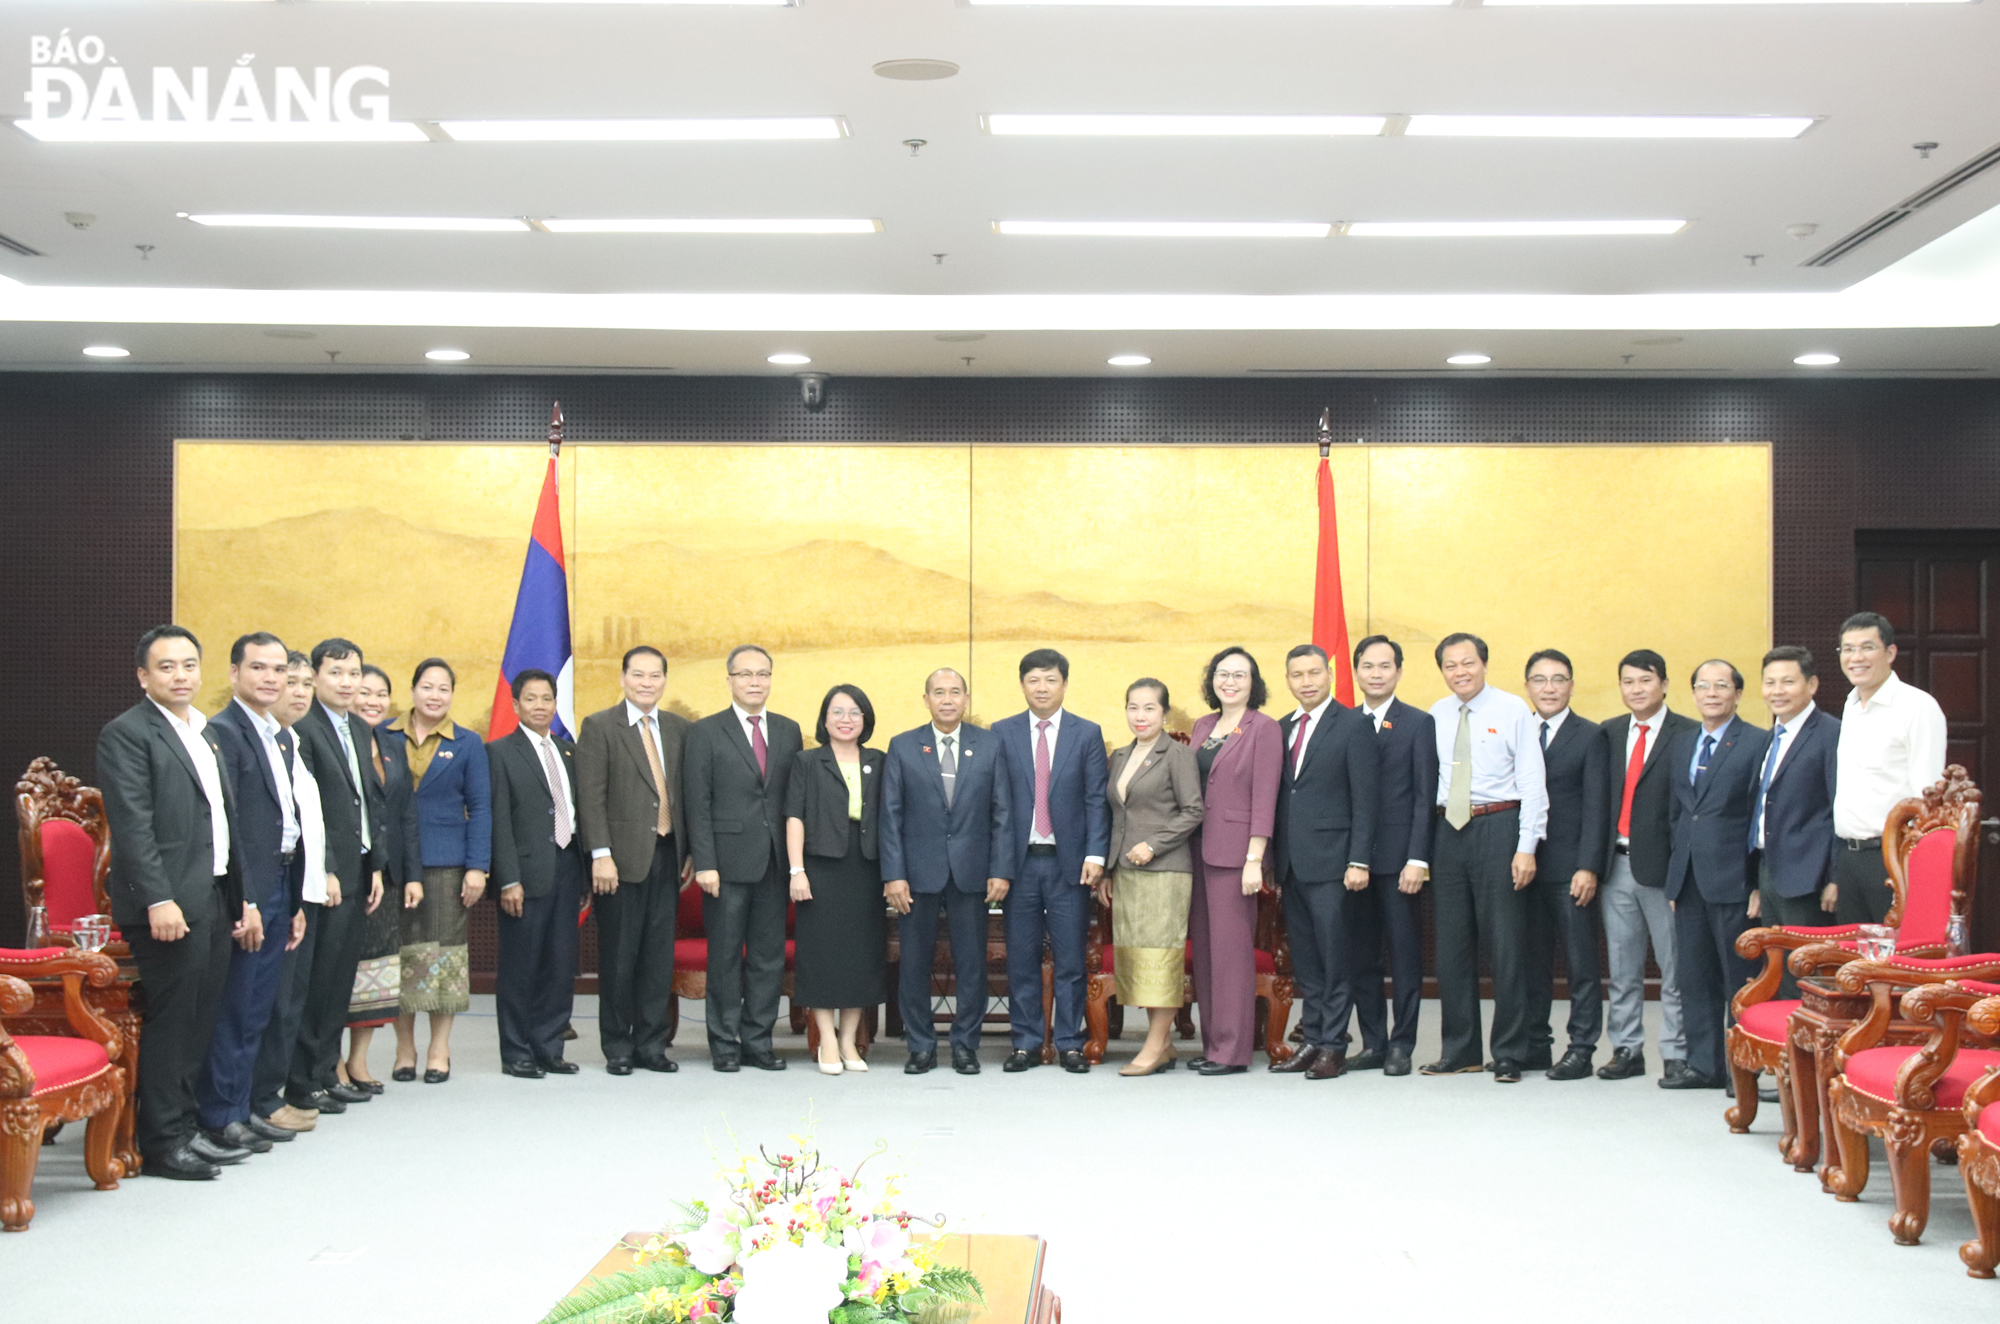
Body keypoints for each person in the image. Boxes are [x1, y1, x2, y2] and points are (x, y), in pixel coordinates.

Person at [98, 625, 251, 1180]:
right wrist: (159, 899)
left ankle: (187, 1128)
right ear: (143, 676)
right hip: (166, 906)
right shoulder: (127, 734)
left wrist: (243, 898)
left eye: (188, 665)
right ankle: (161, 1142)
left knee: (200, 1017)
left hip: (210, 895)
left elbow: (224, 824)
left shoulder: (205, 732)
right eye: (166, 667)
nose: (179, 675)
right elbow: (133, 828)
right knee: (172, 1020)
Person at [1422, 632, 1548, 1083]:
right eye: (1451, 666)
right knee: (1451, 948)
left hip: (1499, 827)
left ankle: (1511, 1052)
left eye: (1468, 663)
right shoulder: (1435, 714)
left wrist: (1527, 846)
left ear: (1485, 664)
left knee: (1506, 945)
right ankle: (1460, 1049)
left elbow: (1533, 781)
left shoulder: (1514, 709)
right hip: (1448, 831)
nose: (1460, 672)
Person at [194, 633, 303, 1155]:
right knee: (236, 1006)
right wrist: (247, 900)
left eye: (278, 669)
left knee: (260, 1006)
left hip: (282, 880)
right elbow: (230, 827)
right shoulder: (224, 733)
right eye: (258, 667)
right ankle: (220, 1114)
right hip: (249, 889)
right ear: (234, 673)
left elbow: (288, 819)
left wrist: (296, 900)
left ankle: (247, 1107)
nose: (270, 678)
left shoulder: (278, 733)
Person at [880, 667, 1014, 1076]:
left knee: (971, 962)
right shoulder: (903, 746)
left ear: (967, 699)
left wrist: (1001, 869)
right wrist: (894, 874)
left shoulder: (990, 745)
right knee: (915, 962)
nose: (948, 699)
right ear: (926, 700)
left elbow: (1002, 813)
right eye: (939, 692)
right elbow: (890, 815)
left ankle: (964, 1046)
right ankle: (920, 1046)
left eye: (955, 692)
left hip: (972, 872)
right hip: (915, 875)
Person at [684, 645, 802, 1072]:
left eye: (763, 674)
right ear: (729, 680)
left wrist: (795, 864)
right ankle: (724, 1044)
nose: (755, 682)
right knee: (726, 956)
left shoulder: (789, 731)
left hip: (774, 864)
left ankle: (758, 1041)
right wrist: (705, 861)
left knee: (768, 958)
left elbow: (792, 801)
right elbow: (697, 802)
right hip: (726, 864)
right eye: (746, 674)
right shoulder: (705, 732)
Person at [993, 649, 1111, 1074]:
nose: (1041, 688)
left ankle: (1069, 1042)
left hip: (1071, 865)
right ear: (1022, 684)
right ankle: (1025, 1043)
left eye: (1050, 680)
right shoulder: (1001, 733)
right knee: (1021, 959)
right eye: (1033, 680)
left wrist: (1096, 854)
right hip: (1019, 865)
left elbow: (1096, 798)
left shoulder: (1087, 733)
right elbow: (996, 804)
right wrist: (997, 866)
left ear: (1064, 683)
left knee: (1071, 960)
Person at [575, 645, 691, 1075]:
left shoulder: (680, 729)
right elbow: (590, 797)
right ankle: (618, 1046)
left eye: (655, 675)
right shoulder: (601, 726)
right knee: (620, 958)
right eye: (638, 675)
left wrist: (691, 849)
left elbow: (687, 795)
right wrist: (600, 855)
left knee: (657, 958)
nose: (647, 683)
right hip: (619, 863)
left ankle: (652, 1045)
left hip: (667, 855)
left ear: (664, 680)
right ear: (622, 678)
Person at [284, 638, 385, 1115]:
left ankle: (327, 1070)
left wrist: (377, 864)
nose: (347, 683)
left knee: (341, 981)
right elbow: (307, 813)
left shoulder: (358, 729)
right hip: (325, 878)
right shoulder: (303, 728)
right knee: (318, 981)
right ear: (315, 677)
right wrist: (323, 868)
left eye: (354, 674)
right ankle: (303, 1081)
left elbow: (368, 803)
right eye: (336, 674)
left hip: (359, 870)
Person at [1269, 645, 1377, 1081]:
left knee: (1335, 958)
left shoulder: (1354, 725)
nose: (1307, 681)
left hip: (1336, 864)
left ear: (1329, 675)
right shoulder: (1281, 728)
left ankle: (1334, 1044)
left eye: (1315, 673)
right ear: (1289, 680)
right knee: (1307, 960)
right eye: (1298, 675)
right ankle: (1311, 1039)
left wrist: (1359, 860)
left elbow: (1365, 800)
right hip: (1292, 863)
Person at [381, 658, 490, 1084]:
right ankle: (404, 1047)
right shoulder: (383, 735)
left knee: (444, 955)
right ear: (412, 691)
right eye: (427, 687)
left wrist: (477, 867)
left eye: (444, 689)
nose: (435, 695)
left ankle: (439, 1048)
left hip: (446, 861)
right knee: (400, 954)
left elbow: (481, 808)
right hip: (393, 863)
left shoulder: (467, 743)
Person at [1665, 660, 1769, 1091]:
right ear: (1692, 693)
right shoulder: (1682, 741)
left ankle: (1741, 1068)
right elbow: (1677, 814)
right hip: (1687, 879)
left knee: (1737, 979)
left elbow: (1761, 817)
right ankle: (1703, 1065)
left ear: (1738, 694)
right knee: (1695, 976)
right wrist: (1675, 874)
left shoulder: (1757, 742)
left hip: (1734, 880)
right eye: (1703, 686)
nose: (1711, 693)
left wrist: (1757, 882)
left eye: (1721, 686)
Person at [1596, 649, 1697, 1083]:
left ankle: (1676, 1051)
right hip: (1615, 866)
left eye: (1645, 681)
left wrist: (1681, 875)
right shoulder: (1608, 733)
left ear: (1665, 684)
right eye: (1628, 682)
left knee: (1674, 968)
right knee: (1622, 968)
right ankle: (1626, 1048)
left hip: (1666, 871)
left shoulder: (1688, 733)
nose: (1636, 689)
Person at [1185, 647, 1282, 1077]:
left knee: (1231, 955)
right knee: (1204, 954)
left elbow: (1265, 797)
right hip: (1195, 850)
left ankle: (1233, 1051)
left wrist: (1254, 858)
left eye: (1240, 675)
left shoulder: (1264, 728)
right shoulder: (1203, 726)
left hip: (1236, 854)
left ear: (1253, 682)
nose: (1230, 682)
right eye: (1223, 674)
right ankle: (1213, 1043)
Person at [1100, 678, 1204, 1076]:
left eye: (1149, 708)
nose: (1140, 716)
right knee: (1138, 956)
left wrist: (1154, 845)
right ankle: (1165, 1042)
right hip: (1126, 872)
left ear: (1164, 713)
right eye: (1133, 707)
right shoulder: (1121, 755)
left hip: (1164, 870)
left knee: (1162, 956)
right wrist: (1109, 869)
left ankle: (1156, 1043)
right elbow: (1116, 816)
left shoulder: (1177, 754)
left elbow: (1193, 811)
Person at [784, 685, 888, 1076]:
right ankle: (826, 1037)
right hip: (820, 869)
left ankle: (849, 1040)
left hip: (866, 870)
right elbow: (794, 816)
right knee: (823, 956)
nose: (846, 720)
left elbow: (891, 820)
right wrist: (797, 870)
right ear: (824, 719)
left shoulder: (879, 760)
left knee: (860, 956)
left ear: (866, 720)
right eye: (838, 712)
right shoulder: (807, 762)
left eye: (855, 713)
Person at [1346, 635, 1436, 1077]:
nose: (1376, 674)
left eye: (1385, 666)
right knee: (1362, 957)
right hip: (1353, 863)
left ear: (1399, 671)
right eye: (1367, 666)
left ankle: (1403, 1044)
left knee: (1404, 957)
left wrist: (1418, 857)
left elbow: (1424, 797)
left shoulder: (1419, 723)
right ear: (1356, 671)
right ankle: (1373, 1043)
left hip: (1401, 862)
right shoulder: (1343, 723)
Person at [487, 668, 583, 1078]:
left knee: (560, 964)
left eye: (547, 698)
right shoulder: (499, 752)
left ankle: (549, 1046)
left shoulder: (567, 752)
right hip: (523, 875)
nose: (540, 706)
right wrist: (508, 879)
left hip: (566, 868)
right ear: (515, 705)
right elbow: (498, 822)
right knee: (520, 966)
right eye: (531, 699)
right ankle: (516, 1052)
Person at [1521, 649, 1608, 1082]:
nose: (1549, 688)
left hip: (1570, 868)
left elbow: (1597, 809)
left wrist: (1588, 866)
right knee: (1530, 962)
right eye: (1539, 680)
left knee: (1581, 965)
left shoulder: (1590, 736)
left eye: (1558, 679)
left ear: (1571, 685)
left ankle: (1581, 1047)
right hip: (1523, 869)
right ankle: (1536, 1044)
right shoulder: (1518, 731)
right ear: (1528, 688)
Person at [1831, 612, 1948, 924]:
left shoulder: (1917, 707)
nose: (1856, 658)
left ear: (1890, 653)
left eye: (1867, 647)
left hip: (1892, 858)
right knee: (1855, 963)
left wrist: (1912, 863)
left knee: (1893, 962)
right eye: (1848, 649)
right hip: (1849, 856)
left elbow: (1929, 798)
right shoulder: (1852, 705)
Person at [251, 652, 326, 1135]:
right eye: (287, 680)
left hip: (299, 888)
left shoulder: (290, 741)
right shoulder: (251, 741)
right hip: (267, 888)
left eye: (303, 683)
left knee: (289, 999)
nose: (296, 691)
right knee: (267, 1001)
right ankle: (259, 1099)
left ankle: (269, 1094)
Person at [341, 663, 419, 1091]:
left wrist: (411, 874)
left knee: (374, 972)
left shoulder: (391, 744)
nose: (372, 701)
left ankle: (358, 1061)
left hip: (387, 879)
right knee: (339, 971)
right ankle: (329, 1063)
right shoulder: (337, 741)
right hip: (348, 876)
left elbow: (406, 813)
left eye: (380, 694)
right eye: (363, 692)